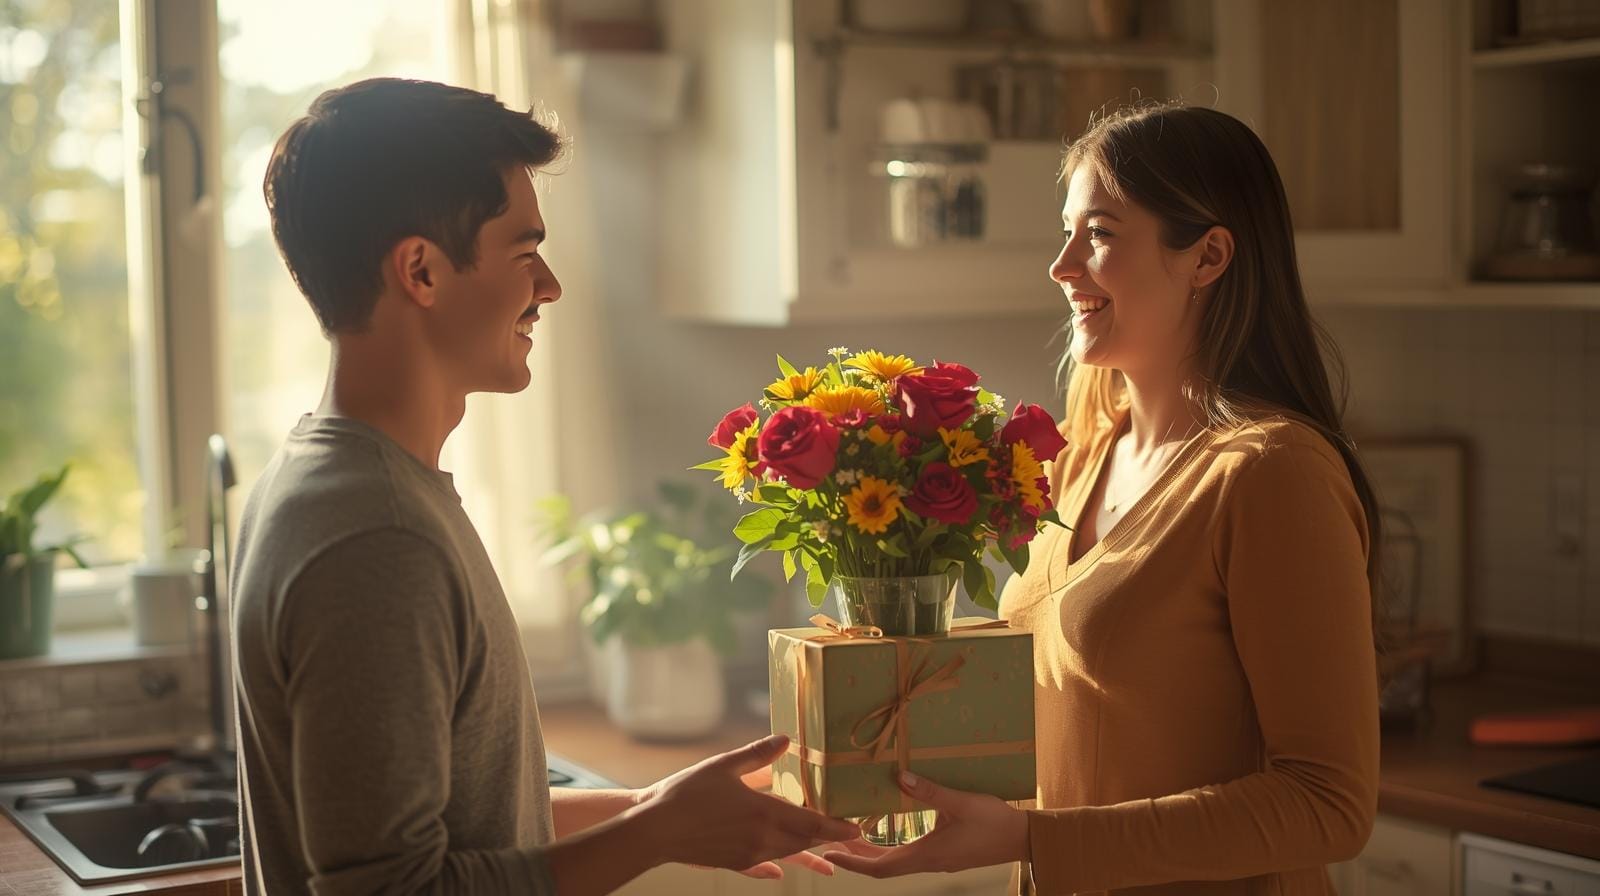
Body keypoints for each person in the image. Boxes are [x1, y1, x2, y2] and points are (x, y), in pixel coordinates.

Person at [230, 77, 859, 896]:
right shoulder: (375, 535)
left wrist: (648, 808)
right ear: (420, 270)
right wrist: (653, 835)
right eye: (525, 254)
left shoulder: (341, 484)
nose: (549, 286)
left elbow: (468, 829)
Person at [823, 102, 1383, 894]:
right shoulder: (1082, 455)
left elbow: (1329, 804)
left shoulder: (1270, 474)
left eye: (1100, 234)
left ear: (1208, 256)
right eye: (1066, 231)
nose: (1060, 265)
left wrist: (1033, 837)